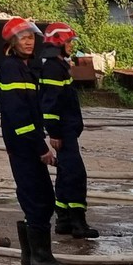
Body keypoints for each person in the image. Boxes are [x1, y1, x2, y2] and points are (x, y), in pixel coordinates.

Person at [0, 17, 71, 265]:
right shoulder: (12, 70)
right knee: (38, 199)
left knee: (39, 198)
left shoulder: (25, 68)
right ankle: (41, 258)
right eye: (23, 38)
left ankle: (31, 257)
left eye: (31, 38)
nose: (29, 42)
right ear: (12, 42)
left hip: (26, 145)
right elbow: (19, 117)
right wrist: (41, 148)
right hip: (24, 147)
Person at [35, 22, 98, 239]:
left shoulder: (59, 64)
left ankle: (63, 220)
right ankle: (78, 223)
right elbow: (50, 104)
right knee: (75, 175)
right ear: (58, 43)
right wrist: (54, 133)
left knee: (64, 174)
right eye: (69, 41)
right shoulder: (53, 67)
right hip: (63, 132)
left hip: (66, 130)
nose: (71, 45)